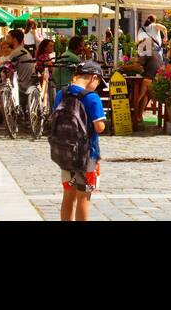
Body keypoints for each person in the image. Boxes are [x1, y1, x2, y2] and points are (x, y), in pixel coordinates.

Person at [52, 61, 108, 221]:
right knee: (84, 196)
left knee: (68, 195)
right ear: (93, 77)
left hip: (64, 151)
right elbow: (99, 127)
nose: (97, 86)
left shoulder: (61, 94)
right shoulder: (92, 98)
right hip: (87, 154)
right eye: (98, 82)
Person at [132, 15, 167, 129]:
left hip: (150, 79)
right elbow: (164, 28)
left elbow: (138, 65)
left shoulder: (142, 30)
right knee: (145, 90)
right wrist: (165, 37)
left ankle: (134, 110)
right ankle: (138, 114)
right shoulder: (154, 27)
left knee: (142, 88)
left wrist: (126, 67)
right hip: (155, 78)